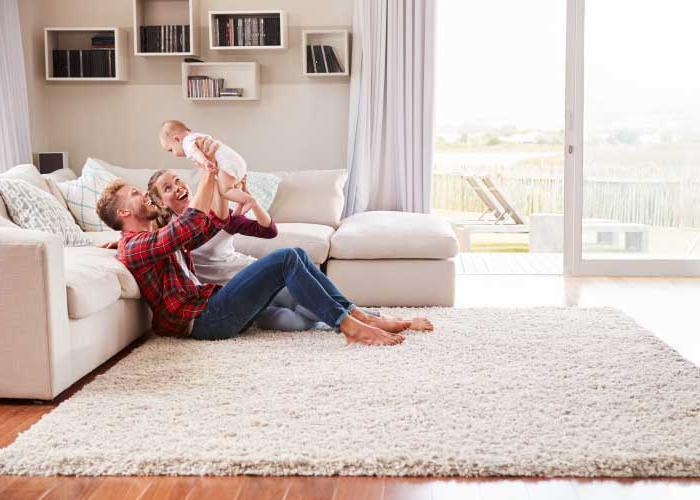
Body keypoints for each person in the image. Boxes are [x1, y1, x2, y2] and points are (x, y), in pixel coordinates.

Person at [95, 163, 427, 345]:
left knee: (294, 254)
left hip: (211, 305)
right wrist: (208, 171)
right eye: (136, 194)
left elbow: (195, 228)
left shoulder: (144, 240)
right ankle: (350, 326)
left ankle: (359, 317)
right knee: (287, 261)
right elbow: (184, 230)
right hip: (204, 321)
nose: (144, 197)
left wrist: (233, 193)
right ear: (124, 213)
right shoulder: (136, 245)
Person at [159, 119, 254, 214]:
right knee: (233, 188)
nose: (174, 154)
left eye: (171, 150)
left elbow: (195, 152)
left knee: (225, 191)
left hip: (228, 164)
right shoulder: (198, 136)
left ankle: (248, 200)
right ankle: (241, 203)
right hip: (236, 161)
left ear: (177, 139)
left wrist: (205, 162)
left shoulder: (186, 143)